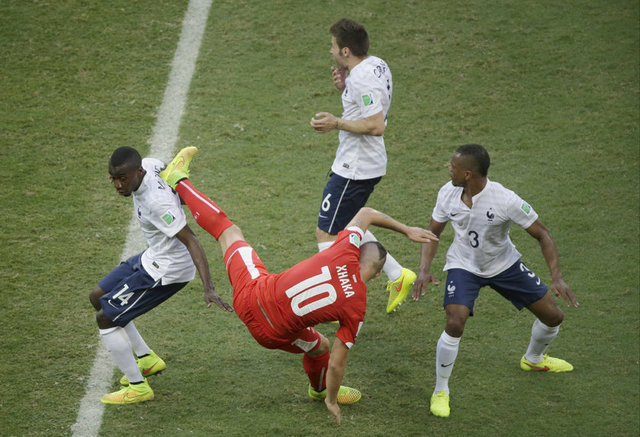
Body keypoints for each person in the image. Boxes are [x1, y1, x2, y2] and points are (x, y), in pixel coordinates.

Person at [159, 147, 438, 424]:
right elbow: (337, 362)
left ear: (356, 249)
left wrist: (407, 230)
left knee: (227, 231)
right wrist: (333, 399)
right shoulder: (356, 308)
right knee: (321, 347)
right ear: (377, 276)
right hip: (270, 335)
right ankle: (319, 392)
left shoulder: (343, 249)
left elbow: (365, 213)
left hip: (250, 294)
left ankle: (177, 179)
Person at [412, 144, 579, 418]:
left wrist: (557, 278)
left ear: (468, 174)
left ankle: (533, 359)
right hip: (463, 265)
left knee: (553, 317)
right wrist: (423, 269)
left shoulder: (505, 199)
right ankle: (441, 390)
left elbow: (543, 235)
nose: (448, 169)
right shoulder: (447, 193)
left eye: (453, 167)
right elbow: (432, 234)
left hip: (503, 265)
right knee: (455, 322)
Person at [89, 146, 233, 405]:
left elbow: (192, 240)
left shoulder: (156, 204)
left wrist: (209, 288)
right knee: (98, 296)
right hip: (153, 255)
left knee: (105, 318)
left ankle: (138, 387)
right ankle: (147, 359)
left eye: (123, 179)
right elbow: (170, 179)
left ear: (138, 172)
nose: (118, 185)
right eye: (113, 178)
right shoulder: (150, 164)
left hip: (168, 269)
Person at [309, 18, 414, 314]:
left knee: (327, 234)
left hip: (356, 167)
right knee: (348, 225)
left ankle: (337, 303)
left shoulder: (362, 78)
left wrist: (336, 123)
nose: (330, 51)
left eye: (333, 46)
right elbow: (369, 103)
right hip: (364, 163)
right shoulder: (375, 64)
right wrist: (346, 88)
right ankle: (398, 274)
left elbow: (376, 125)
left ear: (345, 51)